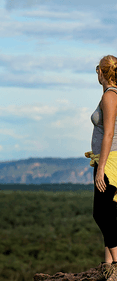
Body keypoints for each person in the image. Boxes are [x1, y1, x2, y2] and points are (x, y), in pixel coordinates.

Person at [85, 55, 117, 280]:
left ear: (103, 72)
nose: (96, 73)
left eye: (97, 70)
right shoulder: (112, 95)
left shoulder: (110, 96)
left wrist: (101, 168)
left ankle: (116, 261)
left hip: (110, 161)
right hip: (108, 159)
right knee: (111, 212)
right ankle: (108, 264)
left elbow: (108, 134)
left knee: (101, 214)